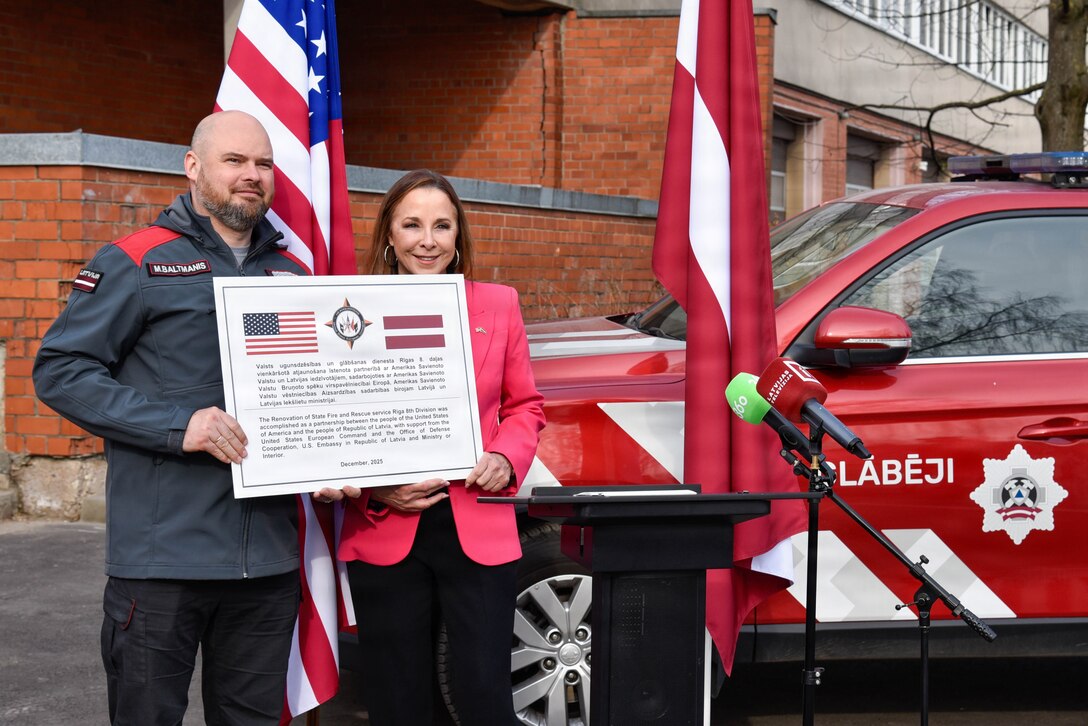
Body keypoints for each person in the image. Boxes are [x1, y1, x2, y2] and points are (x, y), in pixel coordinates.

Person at [33, 110, 312, 726]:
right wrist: (176, 425)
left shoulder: (293, 277)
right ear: (193, 168)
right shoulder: (134, 261)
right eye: (234, 161)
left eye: (263, 164)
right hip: (162, 564)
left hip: (265, 563)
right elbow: (59, 371)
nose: (252, 175)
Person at [326, 169, 546, 725]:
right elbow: (333, 417)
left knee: (482, 697)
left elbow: (525, 406)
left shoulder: (498, 304)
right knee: (399, 701)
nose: (428, 239)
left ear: (458, 235)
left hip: (474, 519)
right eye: (413, 225)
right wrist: (377, 485)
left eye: (442, 225)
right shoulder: (347, 313)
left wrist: (505, 456)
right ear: (390, 236)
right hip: (385, 521)